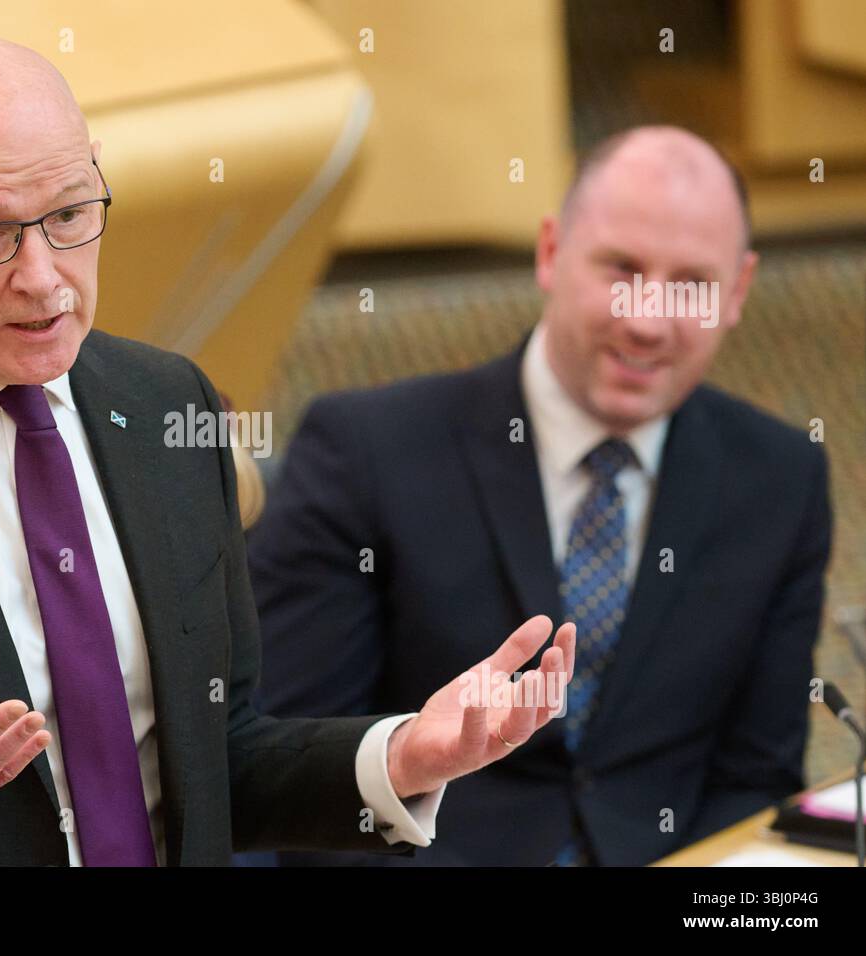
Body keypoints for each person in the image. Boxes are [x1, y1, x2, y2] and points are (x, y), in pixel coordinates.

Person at [0, 36, 575, 866]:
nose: (43, 279)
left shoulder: (169, 405)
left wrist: (403, 756)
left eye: (71, 215)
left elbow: (219, 758)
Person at [248, 126, 833, 866]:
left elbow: (756, 779)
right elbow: (295, 777)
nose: (647, 320)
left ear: (739, 290)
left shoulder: (781, 478)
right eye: (620, 268)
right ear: (552, 253)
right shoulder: (364, 451)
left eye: (692, 284)